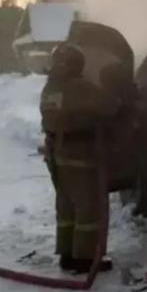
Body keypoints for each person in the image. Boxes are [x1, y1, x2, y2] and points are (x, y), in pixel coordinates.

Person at [40, 44, 119, 274]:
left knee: (66, 206)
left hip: (57, 153)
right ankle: (85, 259)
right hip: (79, 154)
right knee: (88, 208)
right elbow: (109, 106)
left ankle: (67, 254)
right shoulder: (79, 87)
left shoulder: (50, 87)